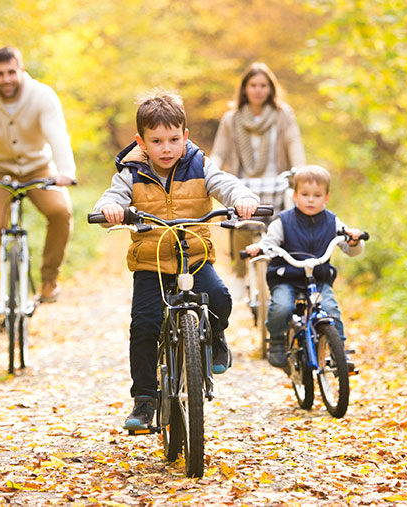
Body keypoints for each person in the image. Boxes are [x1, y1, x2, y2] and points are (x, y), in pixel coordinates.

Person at [93, 90, 259, 430]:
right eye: (156, 141)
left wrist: (241, 196)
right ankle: (144, 400)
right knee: (144, 324)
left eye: (172, 139)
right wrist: (109, 209)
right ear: (141, 142)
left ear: (185, 136)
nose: (166, 148)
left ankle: (214, 337)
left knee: (220, 298)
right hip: (150, 263)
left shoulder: (199, 164)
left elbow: (223, 183)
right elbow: (113, 196)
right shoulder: (131, 172)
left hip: (194, 258)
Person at [0, 46, 75, 333]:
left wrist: (65, 172)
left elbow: (57, 134)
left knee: (60, 212)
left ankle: (49, 280)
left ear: (21, 70)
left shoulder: (42, 95)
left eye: (11, 72)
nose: (6, 79)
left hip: (38, 168)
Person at [245, 165, 364, 369]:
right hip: (286, 277)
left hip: (318, 279)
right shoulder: (283, 221)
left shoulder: (332, 222)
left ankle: (339, 351)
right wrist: (260, 248)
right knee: (281, 307)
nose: (311, 199)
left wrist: (353, 240)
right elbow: (270, 242)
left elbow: (350, 246)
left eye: (317, 195)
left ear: (326, 197)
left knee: (331, 310)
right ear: (294, 196)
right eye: (305, 194)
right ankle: (277, 342)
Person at [210, 62, 306, 299]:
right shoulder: (231, 119)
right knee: (241, 221)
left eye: (263, 85)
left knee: (284, 225)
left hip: (277, 182)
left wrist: (301, 172)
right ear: (244, 89)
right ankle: (240, 273)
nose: (258, 90)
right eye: (253, 85)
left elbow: (294, 144)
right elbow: (219, 152)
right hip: (243, 184)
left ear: (271, 88)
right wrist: (209, 171)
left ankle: (285, 272)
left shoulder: (283, 115)